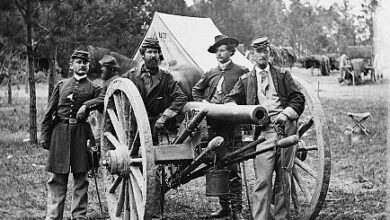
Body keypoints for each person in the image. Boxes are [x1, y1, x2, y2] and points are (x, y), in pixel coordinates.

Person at [225, 36, 305, 220]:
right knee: (262, 179)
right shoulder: (246, 80)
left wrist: (287, 113)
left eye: (265, 51)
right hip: (264, 133)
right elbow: (230, 99)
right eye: (258, 52)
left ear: (269, 53)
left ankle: (281, 217)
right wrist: (240, 113)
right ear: (252, 55)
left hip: (286, 130)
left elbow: (298, 98)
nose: (262, 55)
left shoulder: (282, 75)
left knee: (284, 179)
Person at [40, 50, 104, 220]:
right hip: (59, 134)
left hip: (81, 135)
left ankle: (79, 216)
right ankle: (53, 216)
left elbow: (104, 99)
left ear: (89, 66)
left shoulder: (94, 88)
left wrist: (87, 105)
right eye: (78, 62)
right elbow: (49, 112)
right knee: (57, 179)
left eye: (85, 62)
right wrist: (45, 137)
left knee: (81, 179)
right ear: (71, 65)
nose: (81, 65)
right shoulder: (61, 85)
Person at [192, 35, 248, 220]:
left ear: (231, 52)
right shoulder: (210, 73)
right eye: (217, 51)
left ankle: (237, 210)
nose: (219, 53)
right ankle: (224, 208)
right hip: (214, 125)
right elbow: (196, 90)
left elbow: (248, 95)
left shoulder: (242, 72)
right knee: (218, 165)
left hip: (232, 126)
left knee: (233, 167)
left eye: (222, 50)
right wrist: (204, 103)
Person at [124, 38, 187, 145]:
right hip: (137, 129)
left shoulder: (166, 77)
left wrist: (164, 117)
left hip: (160, 128)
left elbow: (180, 98)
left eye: (155, 52)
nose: (153, 55)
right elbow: (115, 90)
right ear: (143, 55)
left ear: (159, 55)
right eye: (149, 52)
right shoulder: (131, 76)